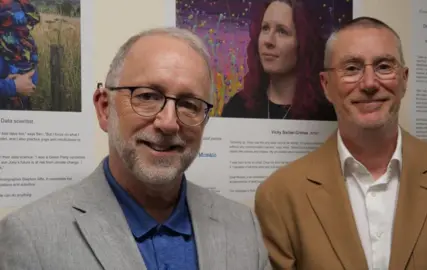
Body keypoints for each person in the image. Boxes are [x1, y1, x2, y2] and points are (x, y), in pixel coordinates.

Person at [0, 27, 271, 270]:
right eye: (147, 96)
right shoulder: (31, 236)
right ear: (105, 108)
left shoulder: (242, 225)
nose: (168, 123)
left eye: (189, 104)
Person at [254, 16, 427, 270]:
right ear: (326, 85)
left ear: (404, 79)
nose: (370, 83)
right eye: (352, 68)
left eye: (384, 66)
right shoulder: (280, 196)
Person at [221, 0, 336, 121]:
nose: (268, 41)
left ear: (303, 44)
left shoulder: (327, 114)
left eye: (282, 31)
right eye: (265, 28)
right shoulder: (237, 108)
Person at [0, 0, 40, 110]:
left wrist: (24, 82)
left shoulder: (24, 41)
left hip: (20, 108)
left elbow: (32, 77)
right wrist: (13, 86)